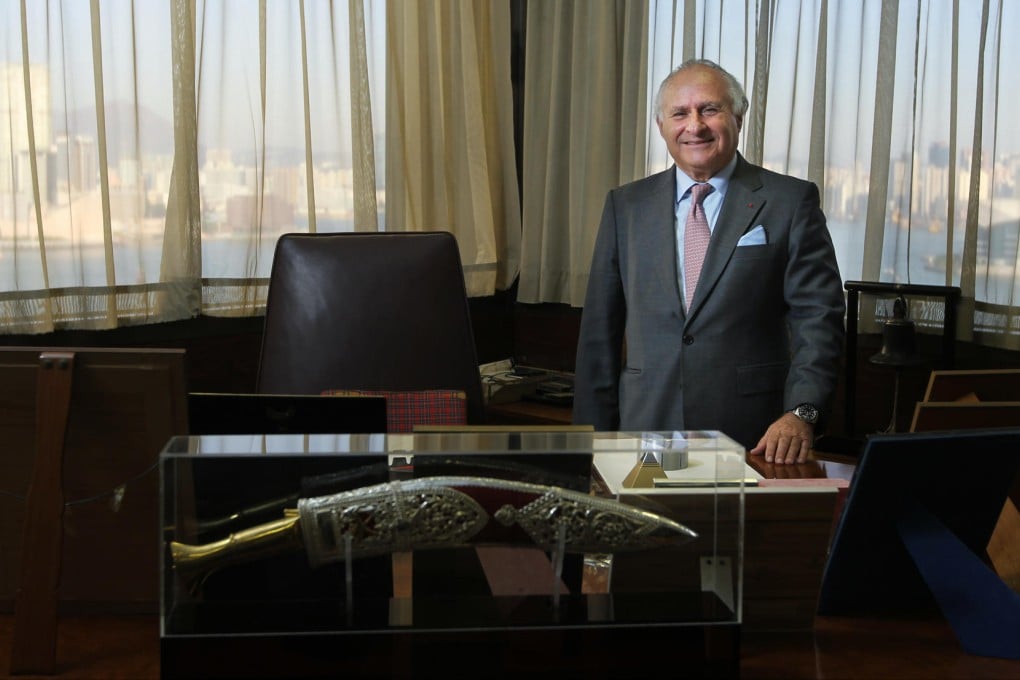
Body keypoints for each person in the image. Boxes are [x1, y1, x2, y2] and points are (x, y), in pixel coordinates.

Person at [572, 59, 845, 464]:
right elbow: (599, 334)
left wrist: (801, 412)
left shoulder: (790, 202)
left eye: (710, 110)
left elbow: (818, 319)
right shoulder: (625, 206)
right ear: (661, 126)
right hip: (646, 430)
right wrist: (588, 446)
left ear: (737, 117)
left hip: (755, 435)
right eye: (679, 113)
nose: (694, 126)